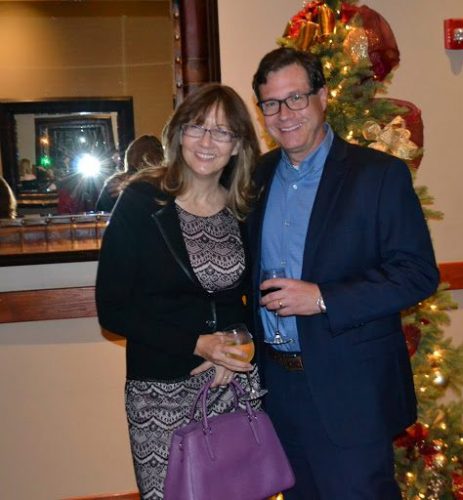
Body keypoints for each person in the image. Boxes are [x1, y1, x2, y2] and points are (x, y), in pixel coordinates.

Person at [247, 47, 440, 499]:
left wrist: (323, 298)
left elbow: (416, 273)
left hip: (351, 392)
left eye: (295, 98)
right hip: (277, 390)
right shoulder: (255, 176)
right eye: (270, 104)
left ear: (324, 96)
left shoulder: (378, 176)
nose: (284, 114)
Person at [95, 83, 262, 499]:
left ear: (238, 145)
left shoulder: (245, 207)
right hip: (159, 393)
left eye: (223, 132)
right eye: (197, 127)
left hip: (231, 385)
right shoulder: (141, 201)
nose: (207, 141)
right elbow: (113, 310)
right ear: (178, 134)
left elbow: (253, 297)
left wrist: (240, 349)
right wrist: (197, 344)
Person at [95, 135, 164, 212]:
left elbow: (100, 215)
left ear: (129, 155)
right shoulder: (166, 185)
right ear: (160, 157)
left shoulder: (114, 183)